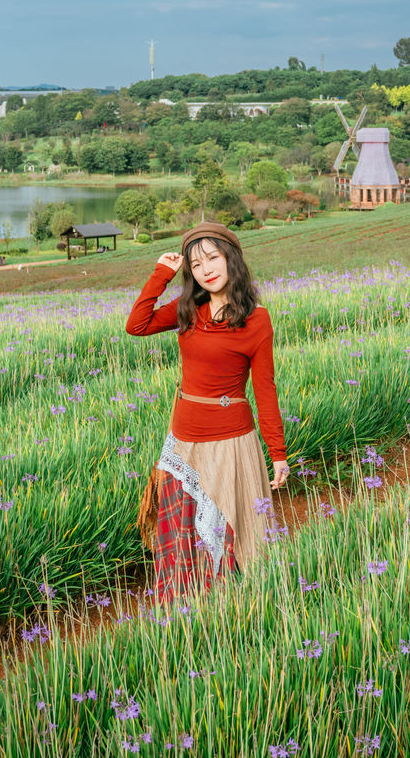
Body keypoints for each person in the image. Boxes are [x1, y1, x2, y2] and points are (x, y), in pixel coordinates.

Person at [125, 221, 290, 602]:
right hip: (183, 442)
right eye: (196, 265)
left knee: (231, 532)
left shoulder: (257, 319)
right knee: (183, 534)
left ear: (232, 259)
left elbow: (265, 390)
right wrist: (161, 274)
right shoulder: (188, 309)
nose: (206, 269)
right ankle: (186, 608)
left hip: (231, 443)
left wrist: (278, 454)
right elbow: (136, 325)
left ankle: (235, 608)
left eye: (213, 258)